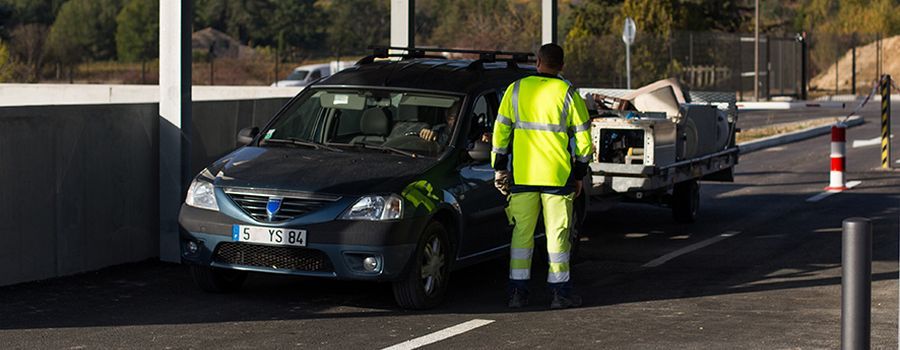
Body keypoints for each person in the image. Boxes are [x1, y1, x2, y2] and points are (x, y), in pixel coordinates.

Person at [491, 43, 593, 309]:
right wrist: (579, 173)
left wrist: (499, 167)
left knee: (521, 236)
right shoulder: (568, 94)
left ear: (538, 62)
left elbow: (500, 133)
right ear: (562, 65)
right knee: (558, 236)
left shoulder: (515, 90)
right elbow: (584, 142)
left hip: (523, 175)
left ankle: (517, 293)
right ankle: (560, 294)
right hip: (557, 179)